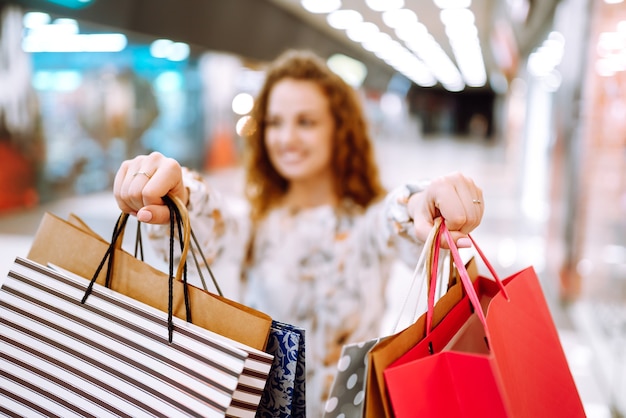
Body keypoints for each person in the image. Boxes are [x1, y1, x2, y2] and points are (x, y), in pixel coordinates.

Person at [113, 49, 484, 416]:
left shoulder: (365, 221)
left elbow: (396, 218)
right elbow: (208, 219)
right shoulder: (257, 220)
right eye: (275, 122)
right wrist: (176, 192)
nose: (286, 137)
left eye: (306, 122)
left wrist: (424, 203)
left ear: (339, 129)